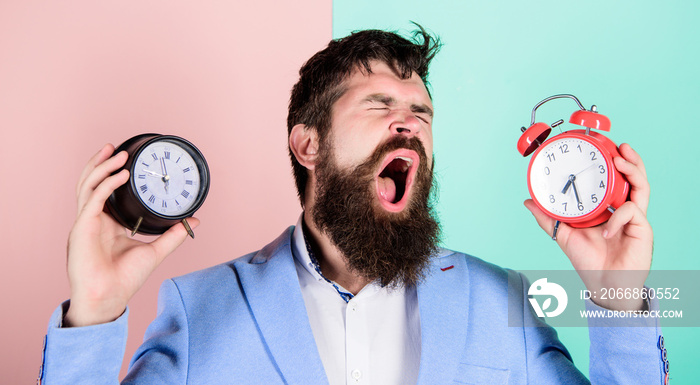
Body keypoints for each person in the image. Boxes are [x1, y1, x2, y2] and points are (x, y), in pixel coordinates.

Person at [39, 26, 666, 384]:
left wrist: (623, 300)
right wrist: (94, 314)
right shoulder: (201, 307)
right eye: (379, 106)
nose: (409, 126)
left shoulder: (504, 300)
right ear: (308, 143)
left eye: (421, 114)